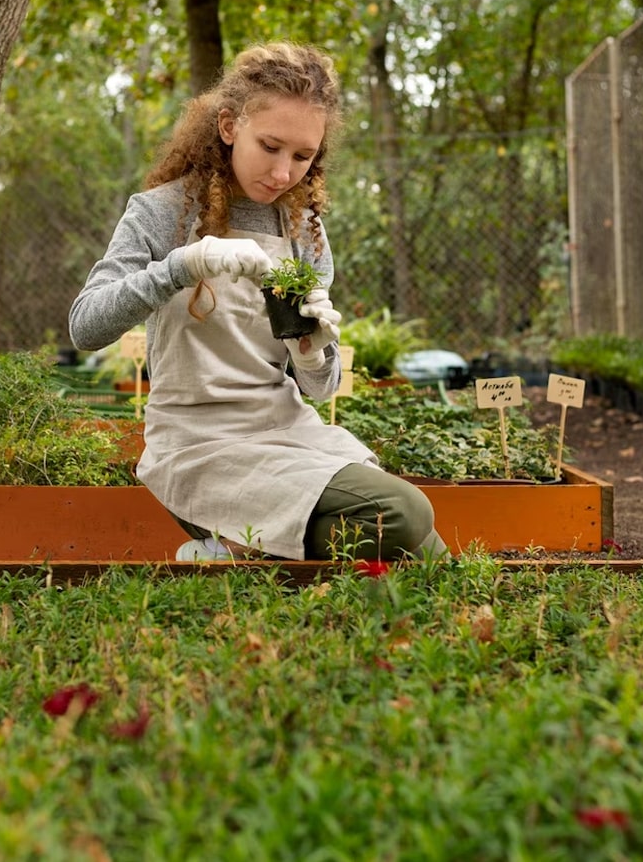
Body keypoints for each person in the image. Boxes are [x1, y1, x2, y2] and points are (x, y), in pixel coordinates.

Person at [69, 42, 445, 562]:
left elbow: (319, 388)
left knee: (427, 551)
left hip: (283, 432)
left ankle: (238, 551)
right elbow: (85, 326)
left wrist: (314, 351)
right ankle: (241, 544)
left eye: (303, 155)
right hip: (199, 445)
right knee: (404, 517)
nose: (285, 172)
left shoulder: (304, 231)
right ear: (228, 127)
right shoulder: (160, 213)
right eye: (270, 146)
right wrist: (183, 266)